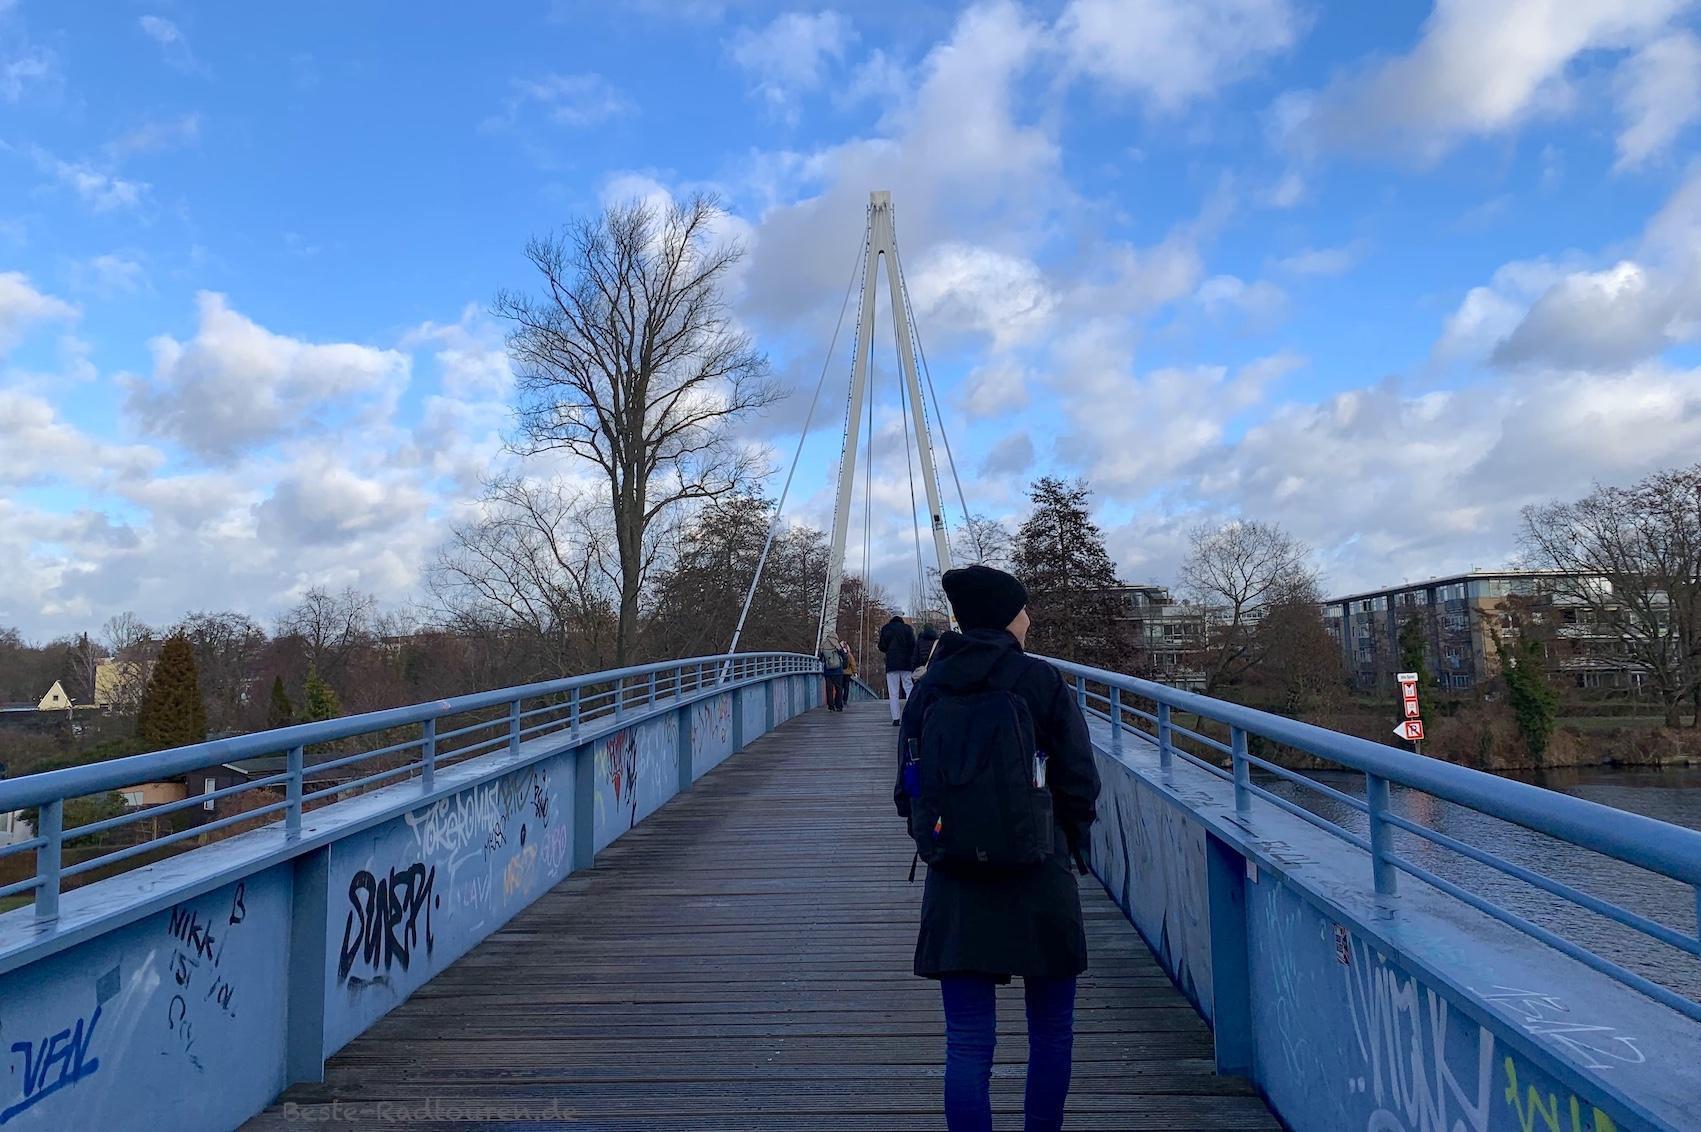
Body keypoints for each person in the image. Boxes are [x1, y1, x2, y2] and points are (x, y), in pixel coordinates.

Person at [894, 565, 1100, 1132]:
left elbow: (905, 787)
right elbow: (1080, 781)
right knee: (1052, 1031)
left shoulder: (930, 688)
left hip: (957, 879)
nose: (1029, 618)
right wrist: (1069, 843)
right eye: (1024, 608)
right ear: (1008, 617)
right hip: (1040, 872)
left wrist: (934, 834)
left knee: (966, 1042)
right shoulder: (1040, 681)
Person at [877, 612, 918, 726]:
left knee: (893, 692)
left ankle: (896, 718)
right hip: (906, 664)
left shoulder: (886, 629)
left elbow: (882, 646)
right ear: (901, 616)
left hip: (892, 664)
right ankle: (911, 715)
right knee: (909, 688)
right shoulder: (908, 629)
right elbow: (913, 646)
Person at [818, 635, 853, 712]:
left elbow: (820, 658)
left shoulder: (824, 645)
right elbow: (845, 656)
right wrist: (844, 666)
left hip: (827, 671)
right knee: (839, 689)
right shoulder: (836, 645)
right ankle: (839, 706)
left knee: (829, 689)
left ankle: (830, 706)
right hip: (837, 671)